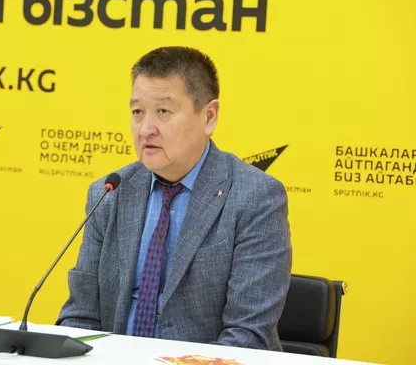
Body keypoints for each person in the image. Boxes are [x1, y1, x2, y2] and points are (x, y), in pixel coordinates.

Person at [56, 46, 292, 351]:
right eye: (137, 112)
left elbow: (247, 337)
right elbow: (80, 317)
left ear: (209, 117)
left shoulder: (255, 197)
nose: (145, 129)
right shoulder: (110, 193)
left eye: (163, 112)